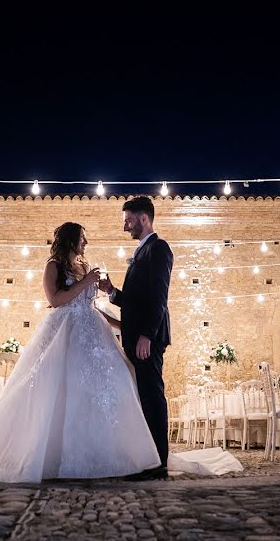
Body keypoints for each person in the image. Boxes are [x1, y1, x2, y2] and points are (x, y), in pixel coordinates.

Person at [0, 222, 162, 483]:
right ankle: (56, 457)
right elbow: (55, 300)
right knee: (62, 389)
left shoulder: (84, 266)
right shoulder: (53, 266)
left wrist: (120, 324)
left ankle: (103, 455)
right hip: (64, 331)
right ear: (70, 240)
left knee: (109, 387)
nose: (85, 243)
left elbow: (92, 305)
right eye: (82, 238)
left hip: (94, 332)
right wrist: (85, 282)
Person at [99, 196, 173, 481]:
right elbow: (135, 300)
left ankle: (159, 463)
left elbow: (158, 297)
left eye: (128, 221)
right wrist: (112, 292)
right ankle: (149, 458)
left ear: (144, 219)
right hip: (139, 335)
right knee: (145, 396)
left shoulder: (158, 248)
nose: (125, 227)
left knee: (153, 397)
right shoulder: (142, 252)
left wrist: (146, 336)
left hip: (147, 338)